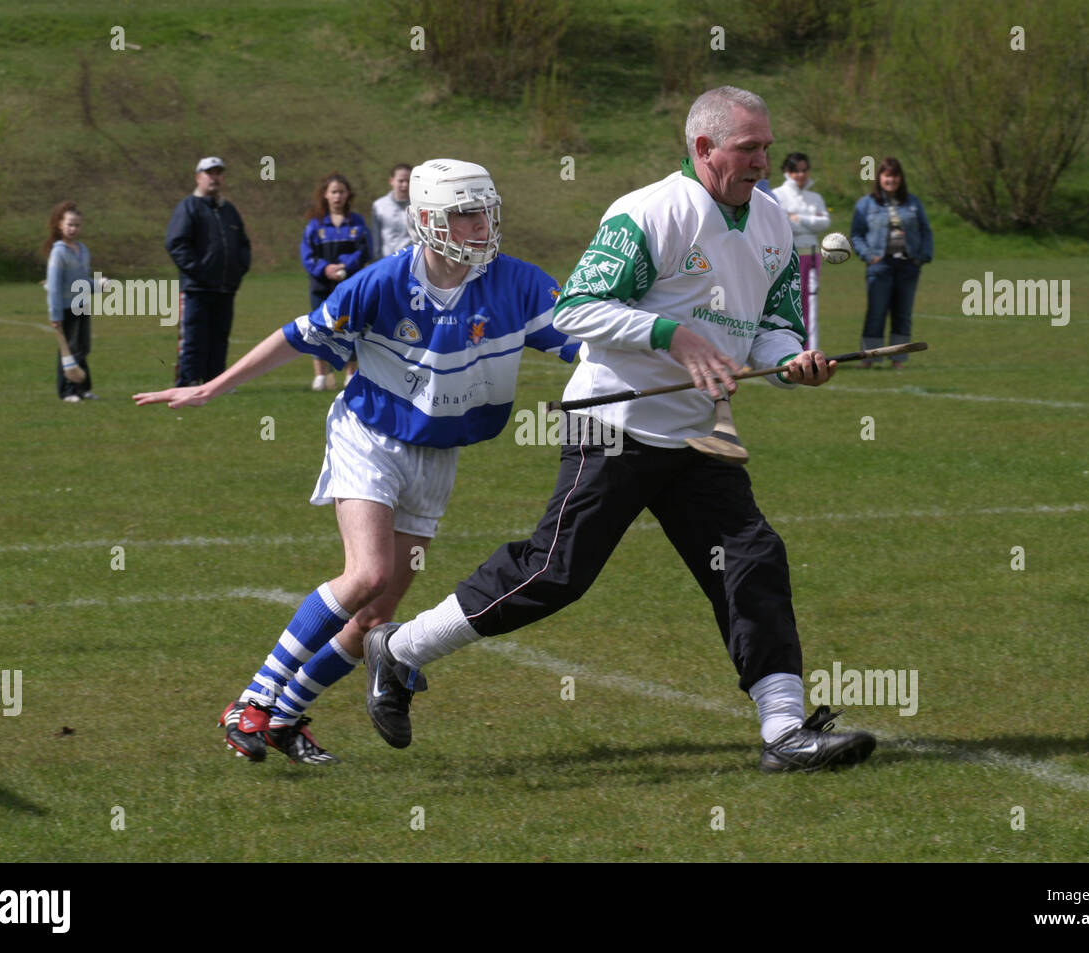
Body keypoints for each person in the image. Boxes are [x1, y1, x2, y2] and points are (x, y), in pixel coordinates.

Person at [361, 87, 877, 774]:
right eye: (747, 147)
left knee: (753, 557)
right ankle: (398, 650)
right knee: (556, 571)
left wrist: (792, 362)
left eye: (766, 145)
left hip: (697, 434)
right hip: (615, 422)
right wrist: (674, 335)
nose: (762, 159)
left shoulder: (774, 222)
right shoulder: (650, 212)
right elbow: (577, 308)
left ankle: (785, 732)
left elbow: (773, 324)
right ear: (702, 147)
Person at [134, 159, 578, 765]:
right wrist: (215, 387)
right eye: (464, 214)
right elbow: (300, 336)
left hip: (438, 452)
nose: (480, 226)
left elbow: (591, 338)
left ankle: (285, 718)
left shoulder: (521, 284)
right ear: (427, 221)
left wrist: (677, 355)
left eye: (485, 211)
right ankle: (252, 701)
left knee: (379, 614)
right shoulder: (380, 285)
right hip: (368, 435)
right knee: (366, 574)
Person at [165, 157, 251, 387]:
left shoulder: (228, 210)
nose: (214, 177)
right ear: (198, 177)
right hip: (196, 288)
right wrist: (199, 271)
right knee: (193, 338)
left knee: (219, 338)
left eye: (218, 173)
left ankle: (215, 382)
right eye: (209, 173)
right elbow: (176, 243)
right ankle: (188, 381)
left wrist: (237, 270)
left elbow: (243, 245)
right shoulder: (189, 207)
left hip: (225, 288)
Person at [850, 157, 932, 368]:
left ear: (901, 178)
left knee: (902, 313)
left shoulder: (913, 202)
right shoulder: (866, 203)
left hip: (908, 265)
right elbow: (857, 235)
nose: (891, 180)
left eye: (895, 175)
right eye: (887, 175)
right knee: (876, 312)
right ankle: (869, 358)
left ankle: (898, 359)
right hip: (880, 265)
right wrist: (869, 256)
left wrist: (921, 257)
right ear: (880, 178)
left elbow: (925, 231)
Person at [302, 172, 371, 391]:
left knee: (349, 326)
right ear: (325, 195)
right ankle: (321, 376)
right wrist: (325, 268)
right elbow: (307, 255)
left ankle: (351, 374)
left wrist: (344, 265)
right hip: (321, 286)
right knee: (318, 328)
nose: (337, 196)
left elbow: (364, 250)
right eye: (333, 192)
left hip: (349, 286)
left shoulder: (357, 222)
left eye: (341, 192)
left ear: (348, 194)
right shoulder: (315, 224)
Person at [773, 153, 830, 351]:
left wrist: (799, 219)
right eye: (796, 170)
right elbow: (783, 224)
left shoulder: (815, 197)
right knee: (785, 303)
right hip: (789, 256)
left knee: (810, 303)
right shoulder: (777, 195)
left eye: (804, 170)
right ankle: (785, 348)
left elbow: (824, 223)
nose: (801, 174)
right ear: (787, 172)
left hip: (812, 255)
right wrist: (808, 221)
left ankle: (809, 349)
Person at [43, 201, 99, 402]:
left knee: (83, 348)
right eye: (70, 224)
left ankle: (83, 388)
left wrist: (99, 285)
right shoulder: (58, 252)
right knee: (69, 350)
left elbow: (83, 280)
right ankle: (67, 391)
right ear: (60, 225)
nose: (74, 229)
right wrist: (55, 315)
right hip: (66, 309)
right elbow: (54, 287)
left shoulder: (82, 250)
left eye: (77, 225)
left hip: (82, 305)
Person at [371, 162, 414, 260]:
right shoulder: (379, 205)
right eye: (401, 181)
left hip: (412, 261)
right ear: (391, 181)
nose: (405, 185)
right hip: (387, 261)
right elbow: (376, 238)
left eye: (408, 181)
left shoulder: (419, 206)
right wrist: (377, 261)